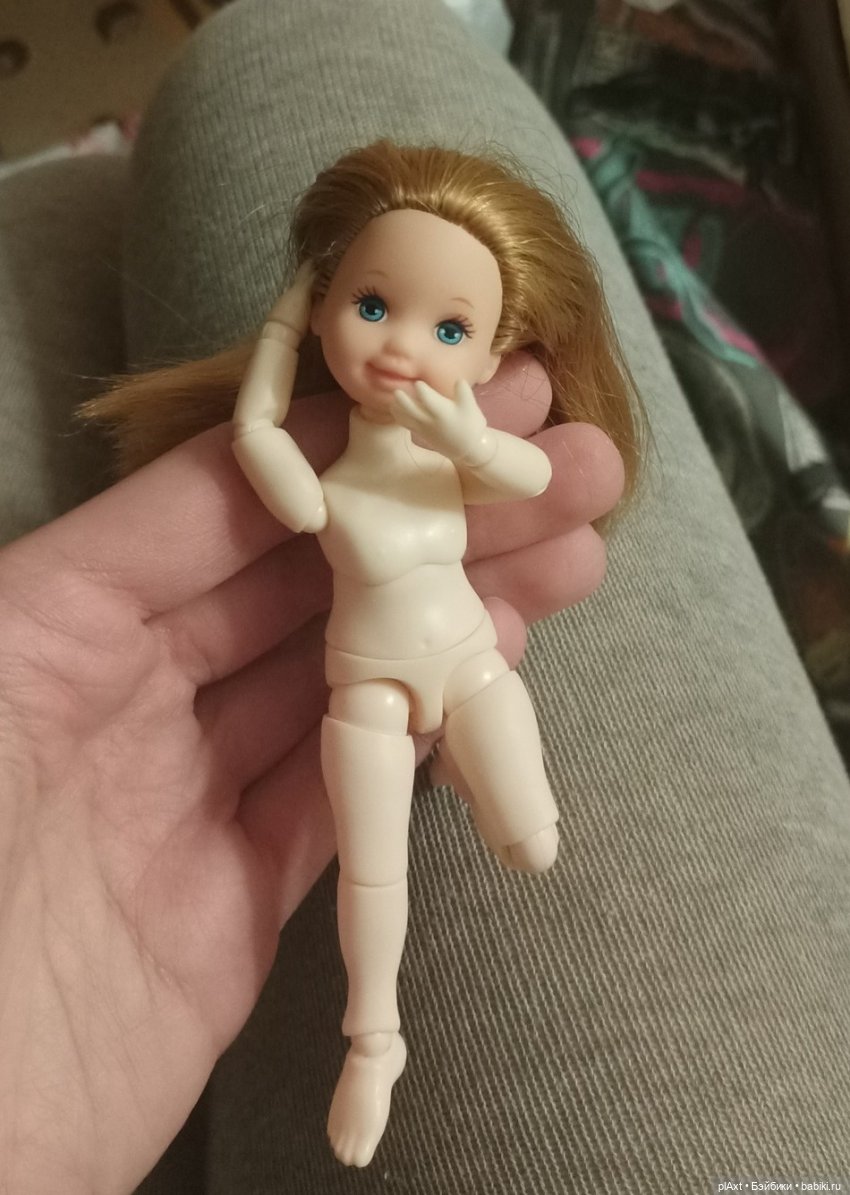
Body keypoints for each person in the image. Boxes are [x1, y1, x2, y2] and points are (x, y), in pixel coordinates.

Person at [0, 2, 847, 1193]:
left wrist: (464, 432)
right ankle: (374, 1039)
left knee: (526, 815)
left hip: (463, 656)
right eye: (371, 306)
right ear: (327, 305)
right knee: (370, 870)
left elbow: (532, 475)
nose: (401, 346)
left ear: (494, 351)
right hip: (358, 688)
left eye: (449, 327)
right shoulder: (324, 477)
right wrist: (283, 326)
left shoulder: (459, 450)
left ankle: (487, 793)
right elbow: (260, 441)